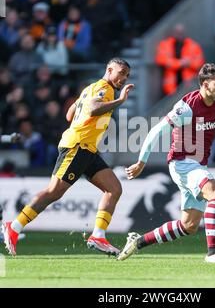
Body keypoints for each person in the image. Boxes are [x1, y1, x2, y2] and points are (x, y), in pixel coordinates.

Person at [117, 63, 215, 263]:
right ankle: (213, 253)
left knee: (189, 225)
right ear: (204, 84)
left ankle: (138, 241)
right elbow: (156, 131)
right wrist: (141, 162)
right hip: (182, 163)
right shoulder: (187, 107)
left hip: (198, 165)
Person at [2, 58, 134, 257]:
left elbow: (70, 114)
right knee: (54, 191)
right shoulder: (105, 89)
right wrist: (120, 101)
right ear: (109, 70)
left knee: (114, 189)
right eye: (121, 72)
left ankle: (98, 236)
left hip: (88, 149)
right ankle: (14, 226)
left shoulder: (89, 88)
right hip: (78, 146)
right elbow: (93, 109)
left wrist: (84, 114)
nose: (123, 78)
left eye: (126, 75)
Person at [155, 23, 205, 96]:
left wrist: (189, 63)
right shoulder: (165, 44)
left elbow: (199, 63)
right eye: (177, 32)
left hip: (188, 87)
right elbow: (161, 60)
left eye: (181, 32)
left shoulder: (194, 46)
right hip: (170, 87)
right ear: (173, 32)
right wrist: (181, 63)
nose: (179, 34)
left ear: (185, 33)